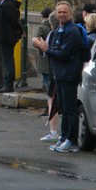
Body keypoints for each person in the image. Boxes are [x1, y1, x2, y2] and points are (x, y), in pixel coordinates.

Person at [32, 1, 82, 153]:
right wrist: (44, 48)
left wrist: (45, 48)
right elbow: (53, 51)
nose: (61, 15)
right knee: (64, 110)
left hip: (68, 76)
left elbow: (64, 54)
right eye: (59, 12)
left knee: (70, 110)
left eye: (64, 12)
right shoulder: (60, 29)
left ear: (70, 14)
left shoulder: (72, 31)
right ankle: (63, 138)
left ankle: (71, 141)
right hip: (59, 76)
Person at [35, 11, 60, 143]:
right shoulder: (61, 32)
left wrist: (39, 45)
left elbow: (49, 51)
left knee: (51, 96)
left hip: (53, 70)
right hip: (57, 71)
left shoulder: (52, 33)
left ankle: (54, 131)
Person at [34, 7, 53, 93]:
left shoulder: (42, 27)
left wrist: (34, 41)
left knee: (47, 80)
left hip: (44, 57)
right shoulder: (55, 26)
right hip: (52, 57)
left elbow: (38, 41)